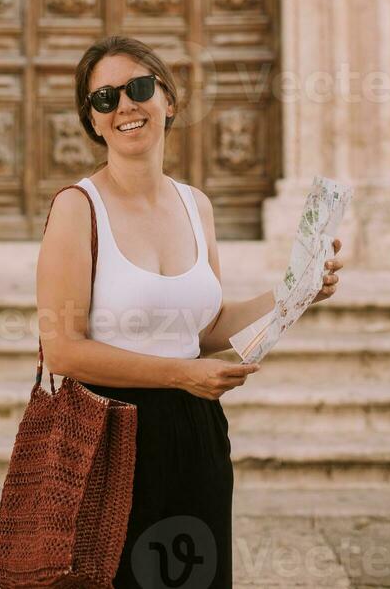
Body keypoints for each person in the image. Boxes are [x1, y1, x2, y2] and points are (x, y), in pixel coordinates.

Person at [36, 34, 342, 589]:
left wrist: (296, 291)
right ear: (94, 122)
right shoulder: (76, 208)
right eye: (105, 99)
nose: (125, 105)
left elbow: (203, 329)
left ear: (168, 101)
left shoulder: (195, 204)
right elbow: (62, 349)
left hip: (197, 433)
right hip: (108, 438)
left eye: (139, 88)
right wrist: (182, 374)